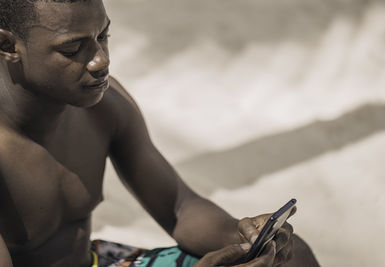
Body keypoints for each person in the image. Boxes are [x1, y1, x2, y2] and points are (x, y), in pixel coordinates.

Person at [0, 0, 320, 266]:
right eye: (73, 49)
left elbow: (179, 206)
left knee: (292, 257)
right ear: (7, 45)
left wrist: (244, 238)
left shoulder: (104, 106)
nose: (101, 60)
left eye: (104, 36)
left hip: (95, 260)